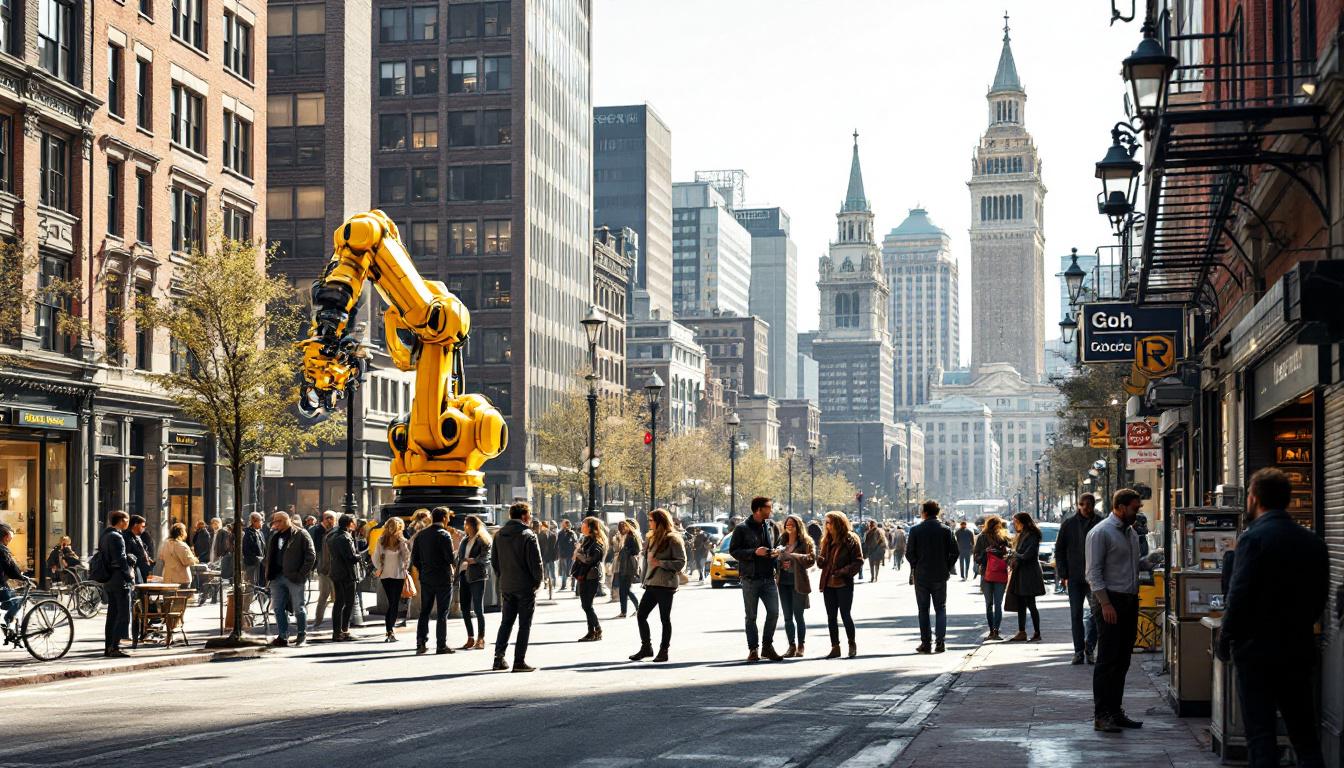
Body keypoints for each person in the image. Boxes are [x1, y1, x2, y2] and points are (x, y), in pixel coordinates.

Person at [1217, 468, 1328, 768]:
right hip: (1298, 648)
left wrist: (1225, 637)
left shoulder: (1253, 539)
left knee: (1261, 734)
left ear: (1254, 498)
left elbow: (1238, 595)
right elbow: (1320, 597)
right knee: (1304, 734)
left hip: (1256, 652)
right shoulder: (1313, 541)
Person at [1085, 488, 1144, 733]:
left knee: (1122, 659)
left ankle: (1115, 710)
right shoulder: (1100, 532)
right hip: (1111, 601)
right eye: (1134, 508)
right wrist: (1105, 603)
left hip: (1129, 599)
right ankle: (1102, 714)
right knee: (1108, 659)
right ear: (1119, 507)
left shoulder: (1130, 533)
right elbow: (1093, 572)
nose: (1137, 512)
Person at [629, 508, 686, 663]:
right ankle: (646, 647)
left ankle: (664, 650)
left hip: (665, 584)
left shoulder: (673, 538)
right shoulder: (652, 537)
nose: (649, 523)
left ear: (660, 521)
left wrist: (661, 563)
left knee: (664, 619)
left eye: (651, 520)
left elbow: (681, 562)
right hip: (651, 583)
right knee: (641, 615)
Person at [492, 501, 543, 672]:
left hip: (507, 584)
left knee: (506, 622)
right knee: (524, 624)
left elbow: (495, 562)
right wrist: (537, 582)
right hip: (525, 585)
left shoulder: (499, 535)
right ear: (523, 516)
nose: (530, 518)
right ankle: (519, 661)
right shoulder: (528, 534)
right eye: (529, 514)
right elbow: (536, 563)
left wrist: (503, 577)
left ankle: (498, 657)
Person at [731, 496, 783, 662]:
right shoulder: (742, 528)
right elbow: (734, 551)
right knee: (751, 616)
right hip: (750, 578)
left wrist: (775, 555)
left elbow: (775, 547)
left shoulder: (771, 526)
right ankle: (753, 649)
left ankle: (767, 646)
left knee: (774, 613)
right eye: (769, 507)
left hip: (768, 577)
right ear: (758, 509)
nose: (771, 510)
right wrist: (754, 552)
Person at [905, 500, 958, 654]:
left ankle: (926, 643)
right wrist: (946, 566)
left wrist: (917, 564)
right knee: (940, 608)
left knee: (923, 609)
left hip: (921, 575)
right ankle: (940, 642)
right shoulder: (946, 530)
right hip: (940, 574)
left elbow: (909, 553)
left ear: (925, 512)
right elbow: (955, 552)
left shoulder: (916, 530)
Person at [1056, 493, 1102, 664]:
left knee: (1097, 614)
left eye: (1090, 504)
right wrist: (1063, 573)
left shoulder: (1100, 522)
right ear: (1078, 505)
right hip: (1075, 577)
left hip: (1095, 577)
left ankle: (1090, 647)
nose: (1086, 507)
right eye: (1083, 504)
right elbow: (1059, 550)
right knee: (1075, 615)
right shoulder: (1068, 524)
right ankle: (1078, 651)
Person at [264, 511, 316, 647]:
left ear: (286, 520)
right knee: (278, 608)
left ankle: (301, 635)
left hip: (294, 577)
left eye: (278, 521)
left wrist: (300, 574)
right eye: (274, 522)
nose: (275, 524)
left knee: (299, 607)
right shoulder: (275, 536)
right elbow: (270, 556)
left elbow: (311, 556)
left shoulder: (301, 534)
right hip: (276, 577)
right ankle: (283, 636)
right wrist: (268, 574)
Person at [815, 511, 862, 658]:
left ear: (838, 523)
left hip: (843, 582)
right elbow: (823, 562)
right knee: (831, 617)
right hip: (828, 583)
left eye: (829, 522)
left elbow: (858, 561)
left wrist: (843, 571)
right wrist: (820, 560)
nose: (827, 525)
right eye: (826, 522)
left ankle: (851, 644)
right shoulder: (827, 539)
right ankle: (835, 647)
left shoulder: (851, 539)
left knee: (845, 614)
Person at [411, 507, 457, 654]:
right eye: (448, 517)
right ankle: (441, 645)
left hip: (426, 577)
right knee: (442, 612)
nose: (449, 519)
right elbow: (450, 558)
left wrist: (423, 570)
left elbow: (415, 559)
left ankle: (421, 642)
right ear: (444, 518)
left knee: (425, 611)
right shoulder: (444, 535)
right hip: (443, 577)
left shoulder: (421, 535)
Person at [777, 513, 816, 658]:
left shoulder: (806, 542)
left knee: (798, 616)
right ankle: (791, 646)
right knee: (787, 617)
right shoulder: (782, 541)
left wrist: (794, 558)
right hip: (783, 583)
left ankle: (801, 645)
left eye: (792, 524)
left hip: (798, 582)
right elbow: (775, 558)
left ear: (798, 526)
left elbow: (811, 559)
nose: (789, 526)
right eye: (787, 524)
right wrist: (781, 562)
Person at [100, 510, 136, 657]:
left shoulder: (104, 535)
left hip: (108, 579)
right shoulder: (117, 536)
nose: (128, 523)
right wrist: (129, 576)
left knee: (112, 614)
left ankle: (108, 647)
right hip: (119, 579)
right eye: (127, 520)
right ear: (121, 521)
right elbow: (120, 559)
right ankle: (114, 646)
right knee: (123, 614)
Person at [1006, 512, 1045, 642]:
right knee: (1021, 604)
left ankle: (1037, 632)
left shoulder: (1032, 535)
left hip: (1029, 574)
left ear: (1022, 522)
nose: (1014, 524)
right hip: (1021, 572)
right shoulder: (1023, 534)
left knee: (1030, 603)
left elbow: (1028, 555)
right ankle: (1022, 631)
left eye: (1015, 521)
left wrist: (1014, 554)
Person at [972, 515, 1011, 640]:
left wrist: (989, 553)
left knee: (990, 604)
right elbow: (1008, 556)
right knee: (996, 603)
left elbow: (976, 557)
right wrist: (989, 552)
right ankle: (995, 631)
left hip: (987, 574)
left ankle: (993, 631)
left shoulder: (987, 538)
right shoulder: (1000, 537)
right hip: (996, 573)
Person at [372, 516, 411, 642]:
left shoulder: (397, 541)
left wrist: (379, 568)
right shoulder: (385, 540)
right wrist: (379, 567)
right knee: (393, 603)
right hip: (392, 575)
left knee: (393, 603)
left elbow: (406, 557)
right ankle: (390, 631)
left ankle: (390, 631)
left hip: (392, 575)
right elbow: (375, 557)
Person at [456, 513, 491, 651]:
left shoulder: (482, 539)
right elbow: (460, 556)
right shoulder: (465, 540)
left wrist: (474, 560)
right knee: (464, 608)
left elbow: (486, 556)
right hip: (464, 574)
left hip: (477, 576)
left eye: (467, 524)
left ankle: (481, 638)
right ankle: (470, 637)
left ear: (473, 525)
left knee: (477, 608)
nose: (465, 526)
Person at [325, 514, 360, 642]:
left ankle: (337, 632)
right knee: (348, 602)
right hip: (347, 573)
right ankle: (343, 630)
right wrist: (359, 556)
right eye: (354, 522)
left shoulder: (332, 535)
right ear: (349, 523)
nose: (355, 524)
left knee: (339, 602)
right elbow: (350, 557)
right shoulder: (345, 537)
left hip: (336, 572)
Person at [572, 516, 608, 642]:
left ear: (590, 527)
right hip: (583, 575)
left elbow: (590, 560)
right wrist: (578, 552)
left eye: (584, 524)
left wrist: (578, 553)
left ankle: (597, 629)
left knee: (587, 605)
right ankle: (591, 632)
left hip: (590, 576)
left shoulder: (597, 542)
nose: (581, 526)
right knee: (586, 605)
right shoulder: (586, 540)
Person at [309, 511, 338, 631]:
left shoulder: (337, 532)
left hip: (336, 570)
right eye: (327, 518)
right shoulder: (317, 531)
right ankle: (317, 621)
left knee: (337, 597)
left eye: (332, 518)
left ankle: (337, 622)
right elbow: (313, 549)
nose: (329, 521)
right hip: (323, 570)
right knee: (323, 596)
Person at [612, 519, 642, 618]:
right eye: (620, 527)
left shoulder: (632, 536)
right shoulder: (624, 537)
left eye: (624, 526)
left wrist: (625, 551)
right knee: (623, 590)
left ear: (629, 526)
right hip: (623, 566)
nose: (622, 528)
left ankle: (638, 608)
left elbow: (636, 550)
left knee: (626, 589)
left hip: (628, 566)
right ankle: (623, 612)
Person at [1, 524, 28, 629]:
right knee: (17, 601)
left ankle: (8, 626)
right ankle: (7, 621)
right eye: (10, 537)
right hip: (0, 587)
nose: (11, 540)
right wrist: (23, 578)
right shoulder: (2, 550)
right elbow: (12, 569)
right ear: (6, 537)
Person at [159, 523, 198, 587]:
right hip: (181, 579)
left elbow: (162, 557)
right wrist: (195, 559)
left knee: (168, 596)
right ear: (181, 532)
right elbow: (187, 561)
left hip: (168, 578)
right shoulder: (181, 545)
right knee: (183, 596)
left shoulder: (165, 544)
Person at [242, 512, 266, 585]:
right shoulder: (248, 533)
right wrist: (256, 559)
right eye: (261, 520)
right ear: (254, 521)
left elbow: (264, 548)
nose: (262, 522)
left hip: (261, 564)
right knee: (252, 586)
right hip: (252, 565)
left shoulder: (260, 533)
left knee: (261, 584)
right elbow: (246, 550)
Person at [556, 519, 578, 591]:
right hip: (563, 555)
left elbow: (575, 543)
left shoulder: (572, 533)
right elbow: (558, 543)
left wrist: (575, 553)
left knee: (572, 570)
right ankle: (563, 585)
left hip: (571, 554)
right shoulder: (560, 533)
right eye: (564, 524)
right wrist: (558, 553)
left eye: (565, 525)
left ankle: (573, 586)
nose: (564, 526)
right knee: (564, 570)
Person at [538, 520, 558, 593]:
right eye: (542, 527)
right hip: (543, 556)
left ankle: (554, 584)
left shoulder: (553, 535)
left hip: (551, 556)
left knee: (552, 571)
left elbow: (556, 547)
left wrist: (556, 556)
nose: (543, 528)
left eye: (544, 526)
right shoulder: (539, 535)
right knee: (545, 571)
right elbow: (539, 547)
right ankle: (546, 584)